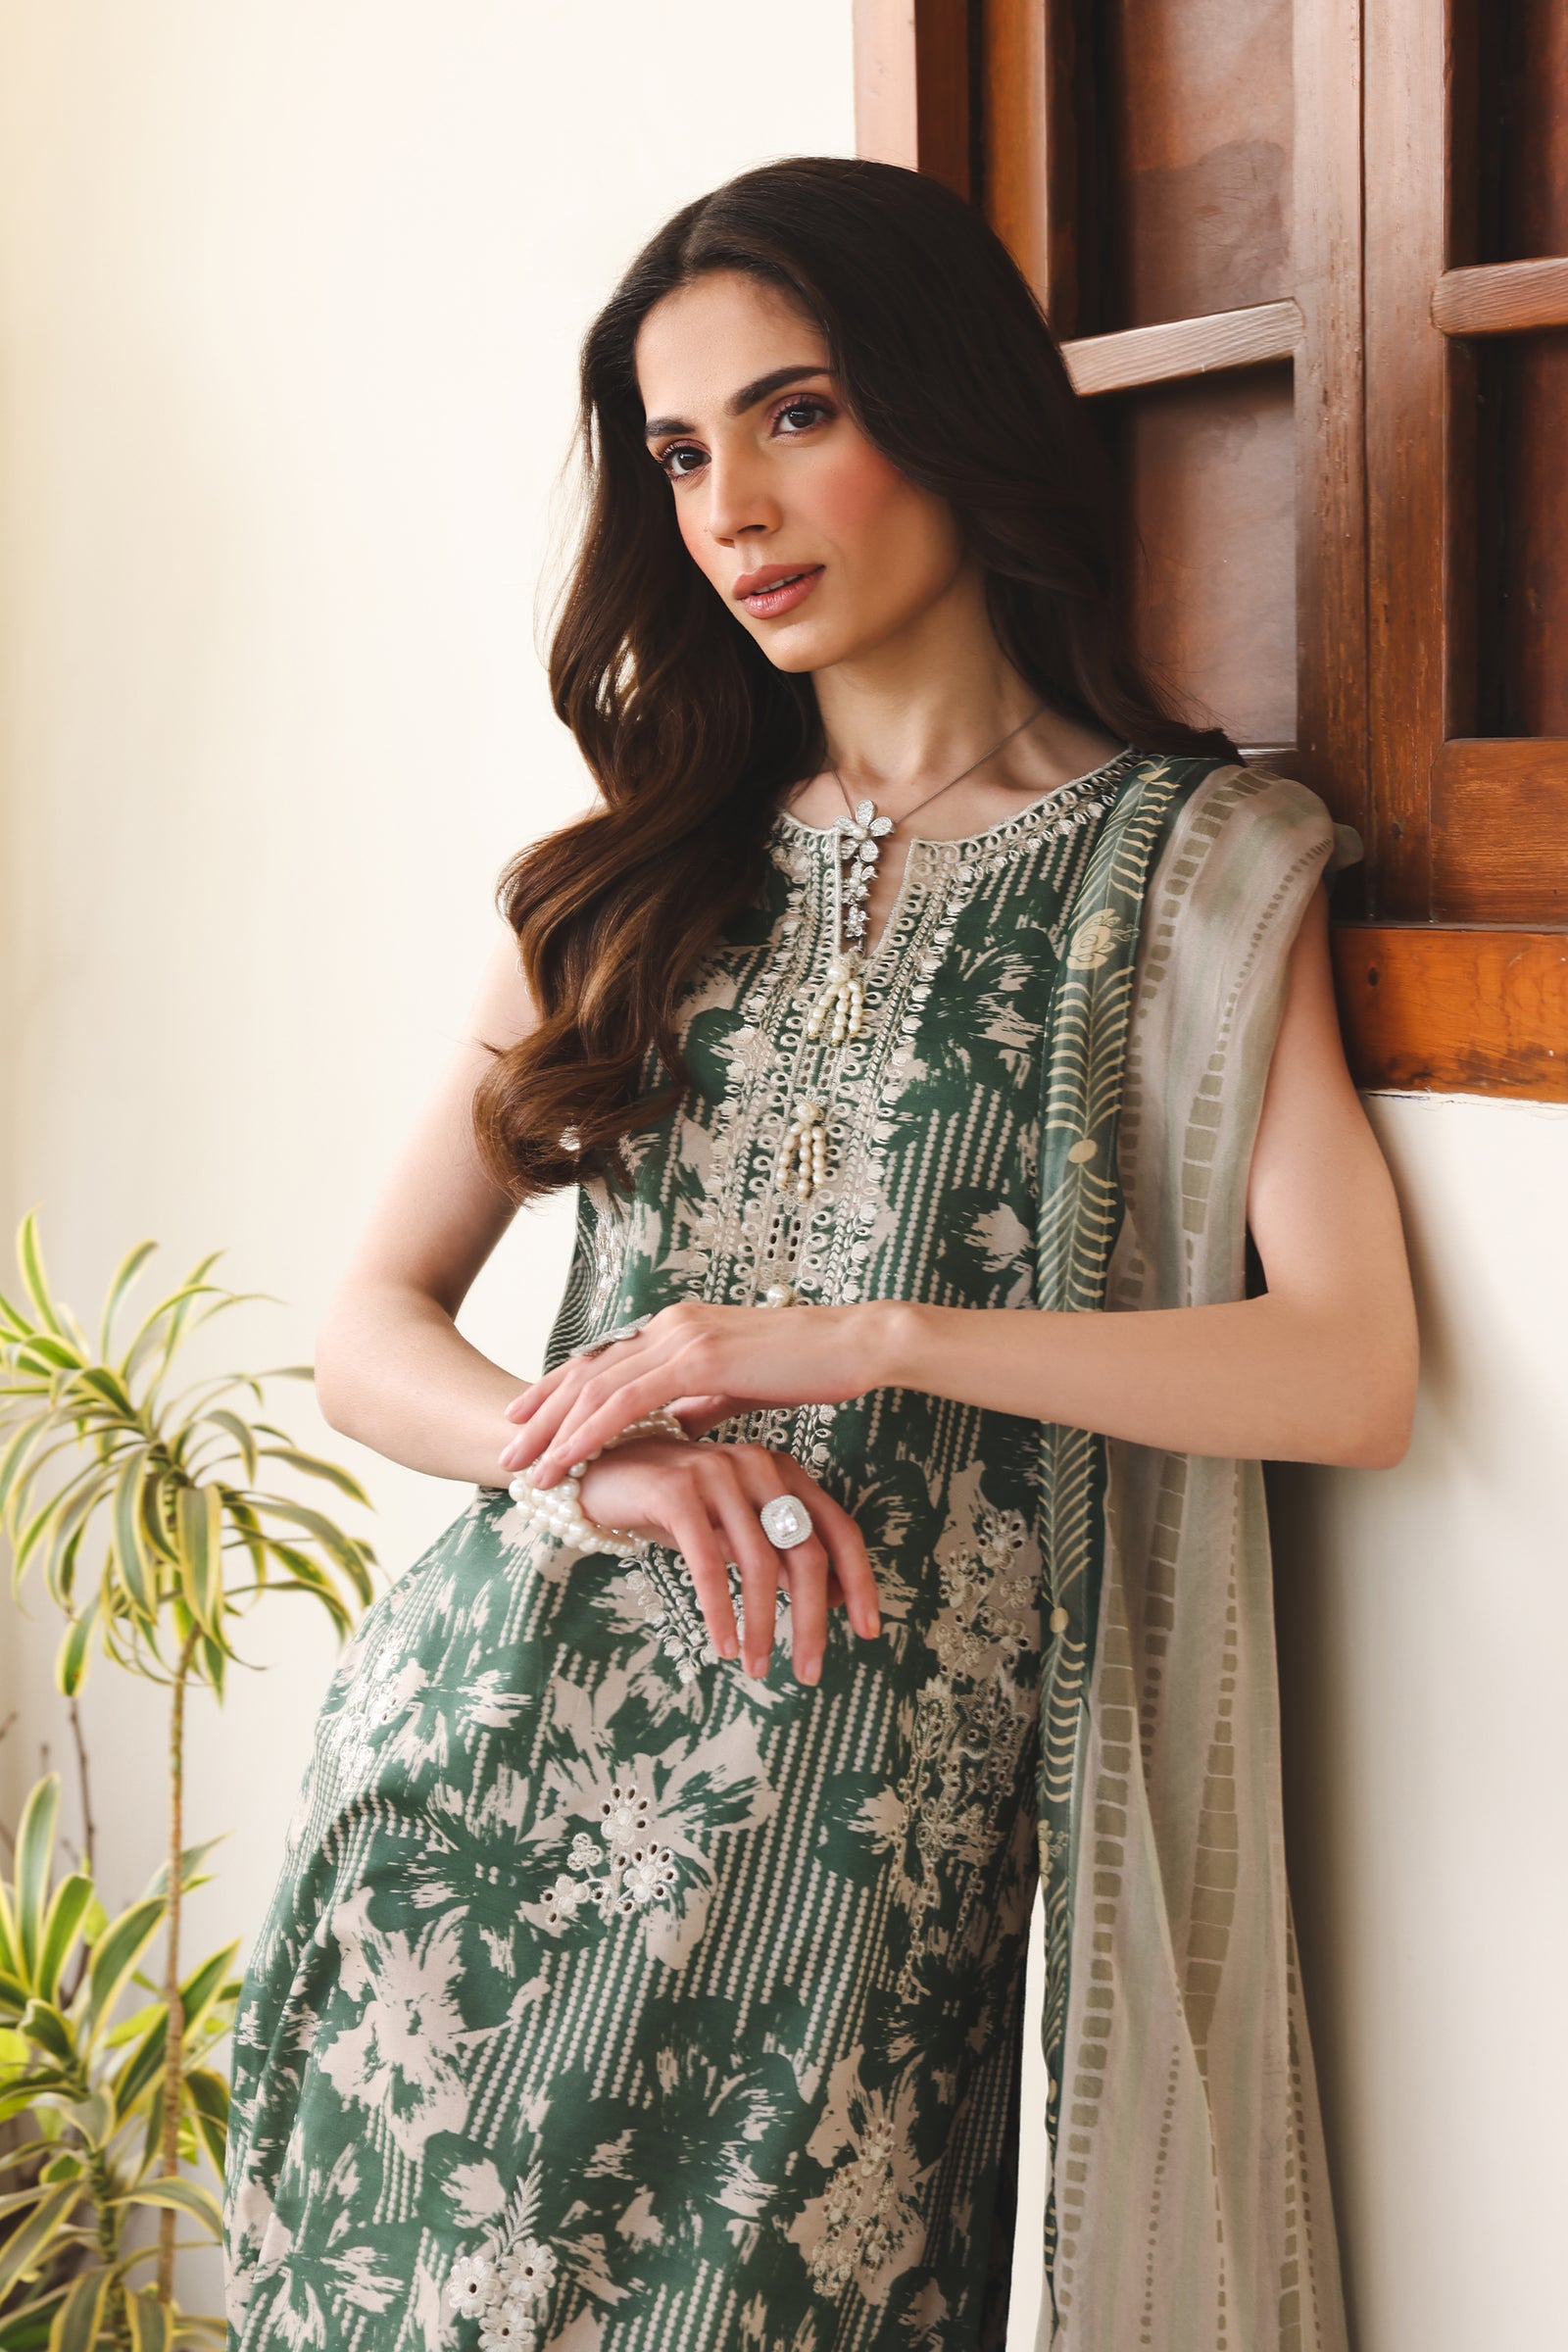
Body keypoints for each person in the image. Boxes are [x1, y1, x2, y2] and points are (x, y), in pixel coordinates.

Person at [222, 158, 1416, 2352]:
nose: (732, 510)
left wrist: (865, 1334)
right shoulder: (623, 881)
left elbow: (1347, 1373)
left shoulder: (1188, 867)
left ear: (949, 410)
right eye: (680, 453)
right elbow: (367, 1331)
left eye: (794, 415)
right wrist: (588, 1461)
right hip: (469, 1835)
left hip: (852, 1895)